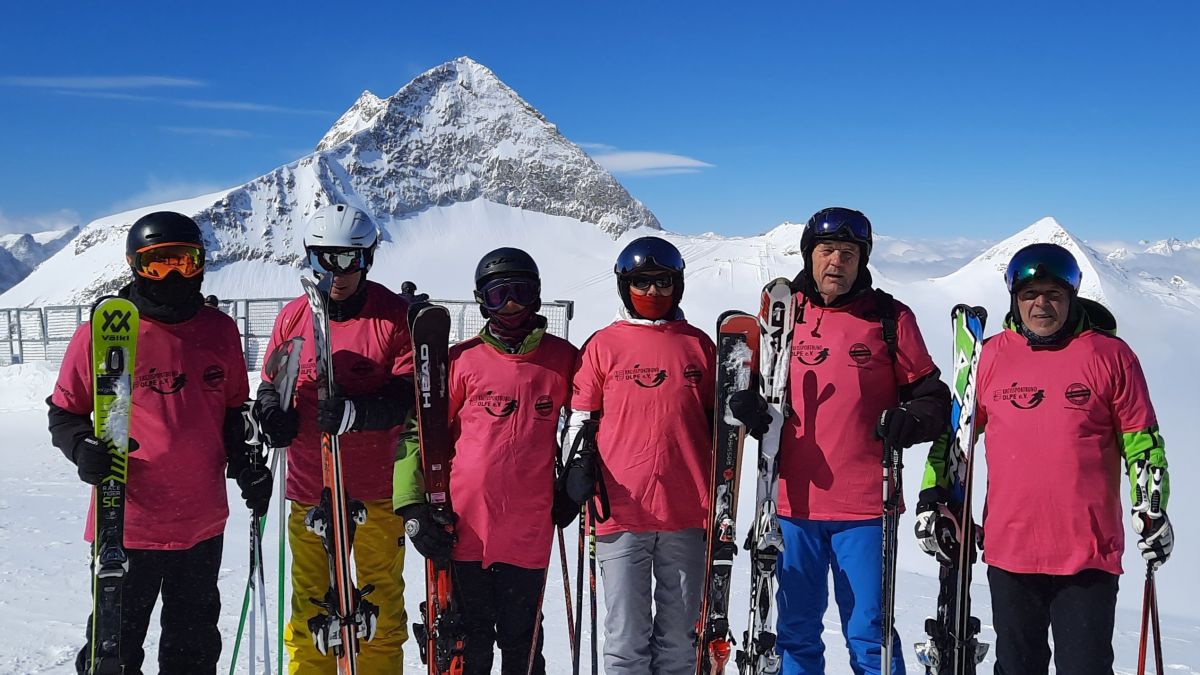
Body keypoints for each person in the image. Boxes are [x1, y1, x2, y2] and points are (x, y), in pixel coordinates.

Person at [915, 242, 1174, 674]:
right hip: (1009, 550)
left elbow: (1141, 440)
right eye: (1030, 295)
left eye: (1053, 294)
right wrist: (932, 495)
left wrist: (1151, 505)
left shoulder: (1111, 356)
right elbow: (956, 437)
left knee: (1085, 667)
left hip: (1087, 552)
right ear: (1015, 300)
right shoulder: (990, 357)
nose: (1041, 305)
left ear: (1071, 297)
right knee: (1017, 666)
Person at [733, 207, 950, 675]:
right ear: (810, 255)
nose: (837, 262)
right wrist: (748, 408)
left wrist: (911, 418)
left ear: (862, 260)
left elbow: (933, 397)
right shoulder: (781, 315)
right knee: (795, 634)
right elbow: (754, 389)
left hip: (866, 509)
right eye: (827, 250)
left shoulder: (889, 318)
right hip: (790, 505)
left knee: (870, 634)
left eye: (849, 253)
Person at [47, 211, 266, 674]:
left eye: (183, 263)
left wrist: (245, 463)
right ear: (134, 266)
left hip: (201, 525)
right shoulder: (104, 333)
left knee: (192, 652)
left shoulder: (220, 330)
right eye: (157, 264)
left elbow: (230, 414)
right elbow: (65, 413)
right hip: (127, 524)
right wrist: (81, 447)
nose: (170, 276)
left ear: (202, 264)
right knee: (114, 651)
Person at [396, 247, 577, 674]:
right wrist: (411, 505)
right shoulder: (461, 361)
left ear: (536, 296)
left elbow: (589, 424)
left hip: (528, 532)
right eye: (499, 295)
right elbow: (417, 433)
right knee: (468, 645)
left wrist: (575, 481)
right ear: (482, 301)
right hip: (462, 529)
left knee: (522, 647)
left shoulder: (563, 360)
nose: (511, 304)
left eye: (520, 292)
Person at [253, 203, 415, 673]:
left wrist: (358, 412)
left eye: (351, 259)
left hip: (375, 490)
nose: (338, 273)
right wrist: (271, 413)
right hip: (309, 488)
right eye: (325, 259)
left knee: (380, 609)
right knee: (310, 612)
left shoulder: (392, 318)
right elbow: (272, 383)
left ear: (368, 259)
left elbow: (407, 397)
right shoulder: (293, 318)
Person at [560, 236, 716, 675]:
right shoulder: (603, 345)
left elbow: (719, 422)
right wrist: (576, 466)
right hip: (619, 509)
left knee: (680, 640)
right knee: (626, 639)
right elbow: (580, 418)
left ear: (678, 284)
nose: (652, 293)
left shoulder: (699, 345)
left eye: (662, 282)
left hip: (687, 507)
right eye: (642, 283)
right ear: (624, 286)